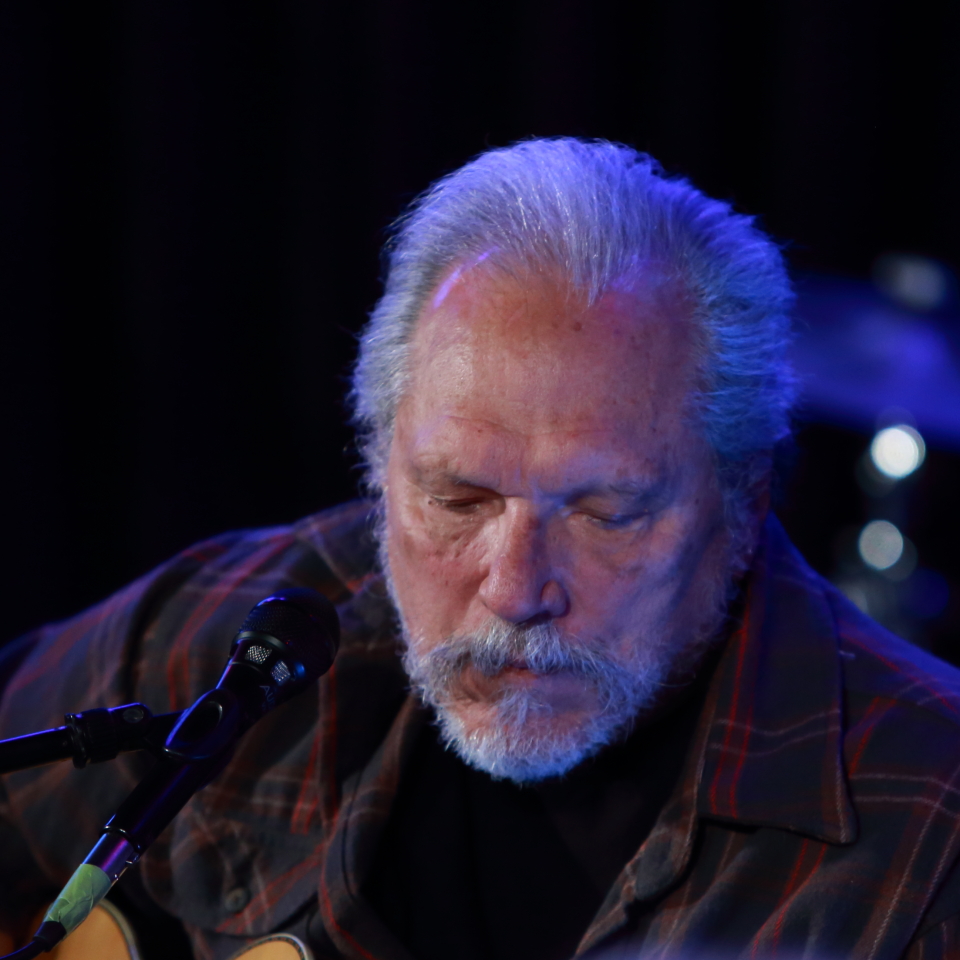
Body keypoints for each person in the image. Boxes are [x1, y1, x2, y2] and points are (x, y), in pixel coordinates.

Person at [2, 138, 960, 960]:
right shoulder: (248, 627)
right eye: (457, 499)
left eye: (604, 513)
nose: (514, 588)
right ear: (380, 466)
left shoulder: (930, 824)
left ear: (745, 501)